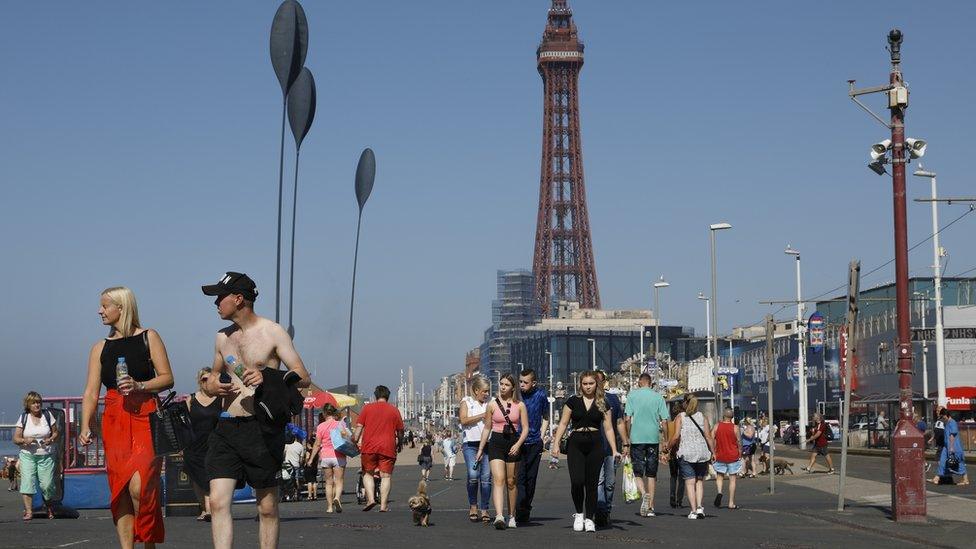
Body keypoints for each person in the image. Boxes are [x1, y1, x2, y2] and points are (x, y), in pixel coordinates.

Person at [200, 272, 310, 549]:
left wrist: (267, 376)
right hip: (226, 426)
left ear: (238, 299)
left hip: (260, 429)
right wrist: (214, 385)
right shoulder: (221, 338)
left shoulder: (272, 331)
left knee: (267, 507)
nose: (215, 303)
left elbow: (303, 376)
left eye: (219, 297)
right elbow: (212, 377)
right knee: (217, 500)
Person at [80, 286, 174, 547]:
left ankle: (149, 542)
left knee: (140, 486)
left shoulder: (149, 337)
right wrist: (86, 425)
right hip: (114, 418)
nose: (99, 310)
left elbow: (168, 377)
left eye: (105, 305)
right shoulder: (100, 348)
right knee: (120, 490)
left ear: (121, 308)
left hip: (145, 414)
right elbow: (90, 391)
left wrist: (140, 385)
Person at [551, 371, 621, 532]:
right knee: (577, 481)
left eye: (591, 383)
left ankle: (589, 518)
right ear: (580, 385)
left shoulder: (603, 403)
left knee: (592, 483)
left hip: (596, 444)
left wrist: (615, 449)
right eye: (585, 384)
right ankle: (579, 513)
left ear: (596, 384)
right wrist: (555, 444)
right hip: (576, 443)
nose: (588, 387)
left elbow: (609, 428)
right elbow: (563, 423)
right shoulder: (572, 402)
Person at [476, 373, 529, 530]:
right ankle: (499, 516)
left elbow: (525, 428)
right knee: (498, 479)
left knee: (511, 482)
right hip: (496, 443)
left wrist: (518, 444)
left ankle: (511, 515)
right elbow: (487, 428)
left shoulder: (520, 405)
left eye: (506, 384)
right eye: (501, 383)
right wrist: (480, 449)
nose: (502, 387)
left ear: (513, 387)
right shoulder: (492, 404)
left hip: (513, 443)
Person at [353, 385, 405, 512]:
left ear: (376, 396)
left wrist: (354, 441)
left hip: (369, 446)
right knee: (385, 476)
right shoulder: (394, 410)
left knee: (367, 473)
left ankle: (370, 499)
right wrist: (400, 443)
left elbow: (359, 428)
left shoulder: (367, 408)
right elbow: (400, 431)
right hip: (388, 446)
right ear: (388, 396)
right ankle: (383, 505)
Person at [624, 373, 669, 518]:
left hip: (636, 438)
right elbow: (665, 421)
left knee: (638, 471)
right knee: (651, 473)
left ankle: (644, 494)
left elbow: (627, 418)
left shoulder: (632, 396)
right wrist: (666, 439)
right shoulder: (658, 397)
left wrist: (627, 437)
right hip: (653, 438)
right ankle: (651, 507)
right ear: (651, 383)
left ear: (639, 382)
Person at [13, 391, 60, 521]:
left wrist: (50, 439)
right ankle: (29, 511)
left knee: (47, 485)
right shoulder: (23, 418)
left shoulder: (47, 415)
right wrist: (24, 440)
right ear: (28, 405)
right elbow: (16, 438)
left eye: (38, 402)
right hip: (28, 455)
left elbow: (56, 432)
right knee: (27, 482)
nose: (37, 405)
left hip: (46, 455)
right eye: (33, 403)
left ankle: (49, 506)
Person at [668, 393, 713, 520]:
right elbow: (708, 437)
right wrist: (713, 452)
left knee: (689, 482)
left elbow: (676, 436)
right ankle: (700, 508)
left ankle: (693, 511)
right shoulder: (703, 417)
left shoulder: (680, 417)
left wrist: (668, 446)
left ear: (685, 403)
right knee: (699, 481)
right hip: (702, 453)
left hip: (686, 453)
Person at [184, 368, 220, 522]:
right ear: (199, 381)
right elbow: (184, 424)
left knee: (210, 477)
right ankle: (205, 508)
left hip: (214, 444)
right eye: (204, 379)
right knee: (197, 478)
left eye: (209, 379)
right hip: (194, 445)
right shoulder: (191, 400)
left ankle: (210, 509)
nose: (206, 382)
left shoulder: (221, 399)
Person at [594, 370, 628, 527]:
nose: (597, 384)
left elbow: (620, 422)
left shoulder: (613, 399)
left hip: (611, 448)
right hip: (595, 447)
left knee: (610, 482)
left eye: (599, 381)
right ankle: (601, 512)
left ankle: (606, 510)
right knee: (599, 481)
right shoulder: (588, 401)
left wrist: (626, 442)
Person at [515, 368, 549, 523]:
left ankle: (526, 506)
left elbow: (546, 417)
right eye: (520, 381)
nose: (522, 384)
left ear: (533, 383)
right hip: (517, 442)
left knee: (531, 478)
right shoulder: (516, 395)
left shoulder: (541, 395)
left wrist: (541, 436)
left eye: (525, 382)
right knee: (520, 477)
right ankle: (520, 506)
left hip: (535, 442)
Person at [459, 376, 491, 523]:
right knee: (473, 475)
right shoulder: (467, 401)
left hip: (488, 445)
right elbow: (464, 420)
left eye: (488, 391)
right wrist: (482, 416)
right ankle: (473, 506)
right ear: (476, 390)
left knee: (486, 478)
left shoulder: (490, 403)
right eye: (484, 391)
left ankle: (484, 509)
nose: (486, 394)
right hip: (470, 444)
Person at [308, 406, 349, 513]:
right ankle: (337, 498)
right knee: (339, 481)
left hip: (326, 456)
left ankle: (329, 507)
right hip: (339, 455)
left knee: (328, 483)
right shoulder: (340, 424)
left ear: (324, 413)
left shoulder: (320, 426)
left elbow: (317, 444)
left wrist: (311, 459)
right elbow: (346, 438)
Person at [930, 408, 970, 485]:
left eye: (943, 416)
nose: (942, 418)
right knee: (942, 461)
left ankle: (965, 479)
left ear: (946, 415)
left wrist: (951, 447)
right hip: (946, 446)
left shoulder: (952, 422)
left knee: (959, 462)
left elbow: (952, 435)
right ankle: (937, 477)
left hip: (954, 446)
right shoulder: (947, 422)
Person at [711, 409, 742, 509]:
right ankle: (731, 502)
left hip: (720, 455)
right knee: (732, 479)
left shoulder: (716, 426)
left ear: (723, 416)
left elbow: (711, 439)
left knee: (719, 476)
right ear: (732, 417)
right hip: (733, 455)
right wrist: (740, 453)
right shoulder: (735, 428)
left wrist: (713, 452)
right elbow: (739, 443)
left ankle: (719, 492)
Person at [666, 402, 685, 509]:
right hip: (681, 452)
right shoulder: (683, 424)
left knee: (673, 476)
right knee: (682, 477)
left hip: (672, 453)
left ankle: (672, 496)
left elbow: (668, 439)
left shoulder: (669, 425)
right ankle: (679, 499)